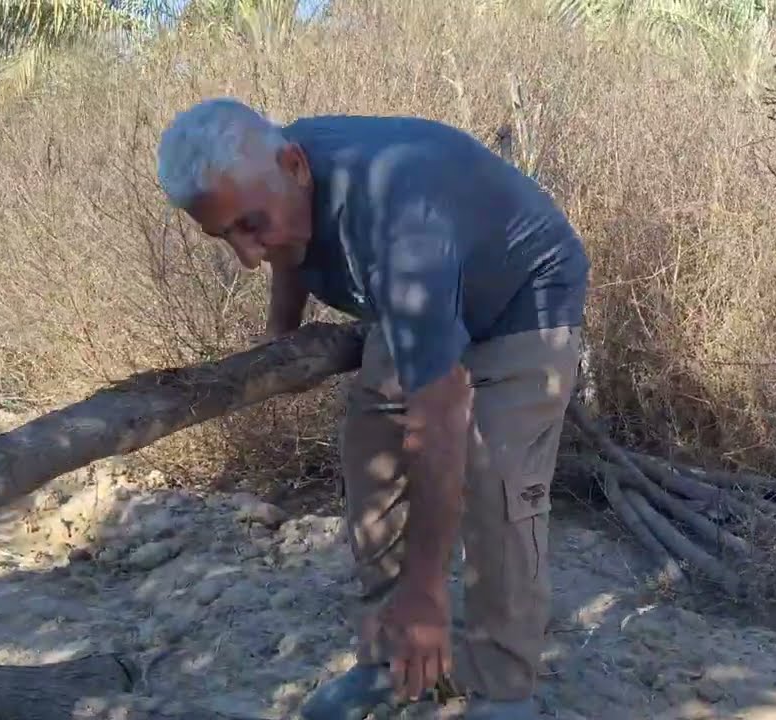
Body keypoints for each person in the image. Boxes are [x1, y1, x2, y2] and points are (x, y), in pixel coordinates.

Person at [156, 98, 590, 720]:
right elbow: (287, 249)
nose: (247, 256)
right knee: (371, 452)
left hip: (525, 295)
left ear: (296, 166)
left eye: (251, 226)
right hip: (421, 295)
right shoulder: (281, 177)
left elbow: (439, 423)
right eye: (225, 236)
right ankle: (394, 665)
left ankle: (502, 687)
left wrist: (426, 593)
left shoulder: (397, 223)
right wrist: (280, 339)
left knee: (497, 488)